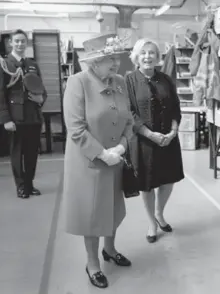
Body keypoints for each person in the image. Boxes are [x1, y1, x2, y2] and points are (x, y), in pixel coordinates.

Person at [62, 34, 133, 289]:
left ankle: (110, 250)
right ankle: (92, 263)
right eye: (109, 59)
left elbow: (129, 120)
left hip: (115, 159)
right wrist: (104, 154)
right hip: (89, 163)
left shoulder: (120, 82)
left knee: (112, 209)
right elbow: (76, 128)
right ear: (93, 62)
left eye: (116, 58)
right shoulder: (77, 82)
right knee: (92, 214)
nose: (115, 63)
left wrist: (122, 146)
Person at [125, 38, 184, 243]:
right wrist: (149, 134)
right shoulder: (129, 81)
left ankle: (159, 213)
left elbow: (176, 107)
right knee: (147, 184)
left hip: (168, 139)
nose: (148, 57)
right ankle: (151, 222)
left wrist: (173, 131)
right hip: (144, 141)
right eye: (143, 53)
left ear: (157, 57)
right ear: (136, 57)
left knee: (168, 179)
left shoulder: (166, 80)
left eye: (151, 53)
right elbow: (129, 112)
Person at [0, 29, 47, 199]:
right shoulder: (5, 64)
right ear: (10, 43)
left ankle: (29, 184)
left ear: (26, 43)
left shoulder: (32, 64)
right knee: (17, 153)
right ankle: (21, 186)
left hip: (33, 116)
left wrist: (40, 99)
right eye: (16, 41)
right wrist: (5, 118)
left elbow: (42, 90)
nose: (20, 44)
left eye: (23, 41)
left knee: (32, 153)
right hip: (15, 117)